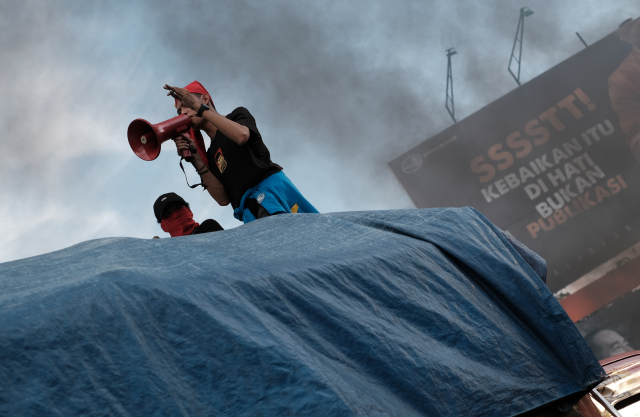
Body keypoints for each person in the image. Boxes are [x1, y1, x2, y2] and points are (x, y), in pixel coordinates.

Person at [163, 81, 319, 223]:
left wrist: (200, 110)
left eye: (187, 103)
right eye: (179, 111)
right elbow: (223, 199)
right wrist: (196, 160)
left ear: (205, 99)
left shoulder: (237, 115)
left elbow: (242, 136)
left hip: (269, 194)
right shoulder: (210, 154)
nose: (182, 112)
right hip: (249, 211)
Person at [609, 17, 640, 161]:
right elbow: (635, 134)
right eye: (628, 26)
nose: (636, 28)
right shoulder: (621, 80)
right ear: (622, 37)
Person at [153, 192, 223, 238]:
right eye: (168, 214)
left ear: (189, 211)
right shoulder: (168, 251)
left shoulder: (209, 228)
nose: (176, 215)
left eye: (179, 208)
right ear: (163, 226)